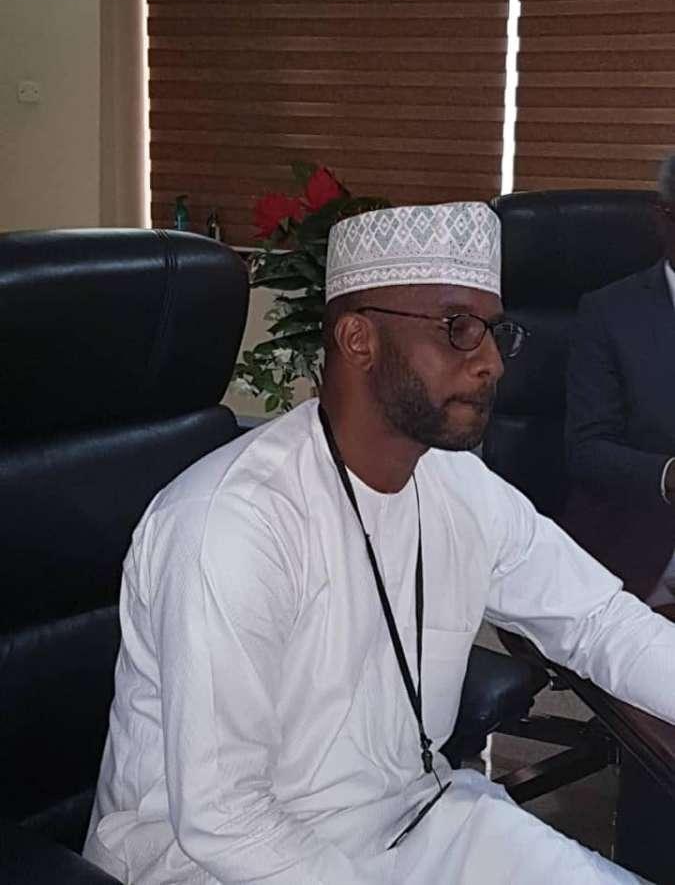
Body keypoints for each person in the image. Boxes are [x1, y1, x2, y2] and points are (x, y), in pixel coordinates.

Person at [83, 202, 670, 885]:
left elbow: (598, 621)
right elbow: (224, 817)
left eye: (493, 332)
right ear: (358, 339)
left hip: (409, 817)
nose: (490, 363)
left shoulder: (457, 485)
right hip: (212, 863)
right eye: (458, 329)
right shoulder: (231, 523)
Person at [565, 155, 675, 603]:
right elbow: (586, 449)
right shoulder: (609, 313)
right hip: (643, 552)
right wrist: (668, 475)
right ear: (664, 217)